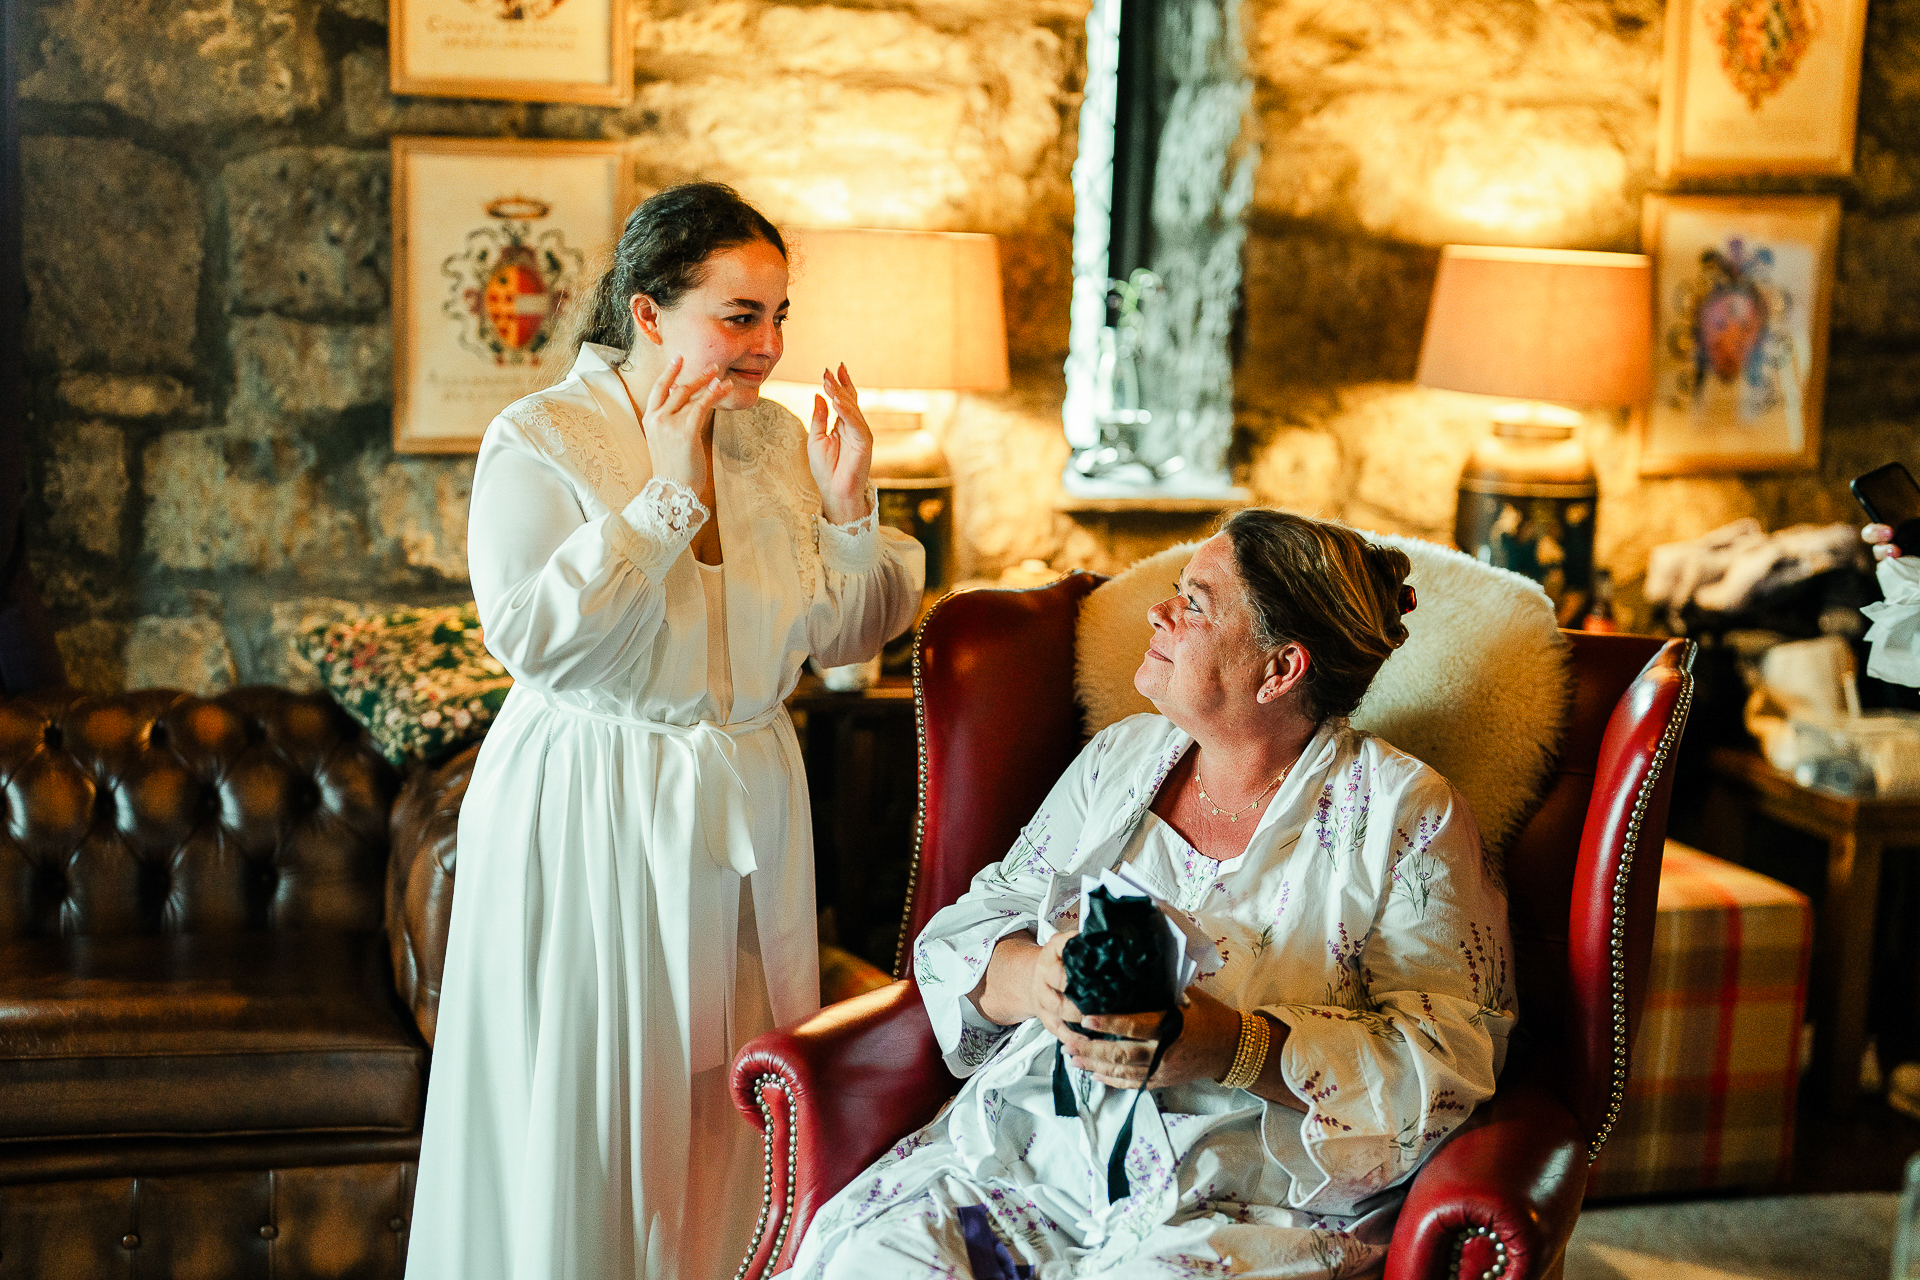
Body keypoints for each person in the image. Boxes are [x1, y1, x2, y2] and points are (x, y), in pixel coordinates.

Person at [405, 183, 926, 1280]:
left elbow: (848, 636)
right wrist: (667, 498)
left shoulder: (777, 439)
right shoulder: (542, 437)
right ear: (647, 313)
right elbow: (540, 639)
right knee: (606, 1101)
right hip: (599, 793)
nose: (770, 346)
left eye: (780, 315)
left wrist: (848, 506)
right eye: (740, 316)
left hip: (747, 786)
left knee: (734, 1092)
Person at [787, 510, 1516, 1280]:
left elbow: (1445, 1061)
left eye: (1196, 603)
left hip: (1238, 1204)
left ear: (1280, 670)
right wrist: (1040, 979)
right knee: (879, 1260)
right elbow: (975, 923)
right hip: (1032, 1162)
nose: (1158, 612)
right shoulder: (1121, 758)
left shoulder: (1407, 813)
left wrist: (1232, 1046)